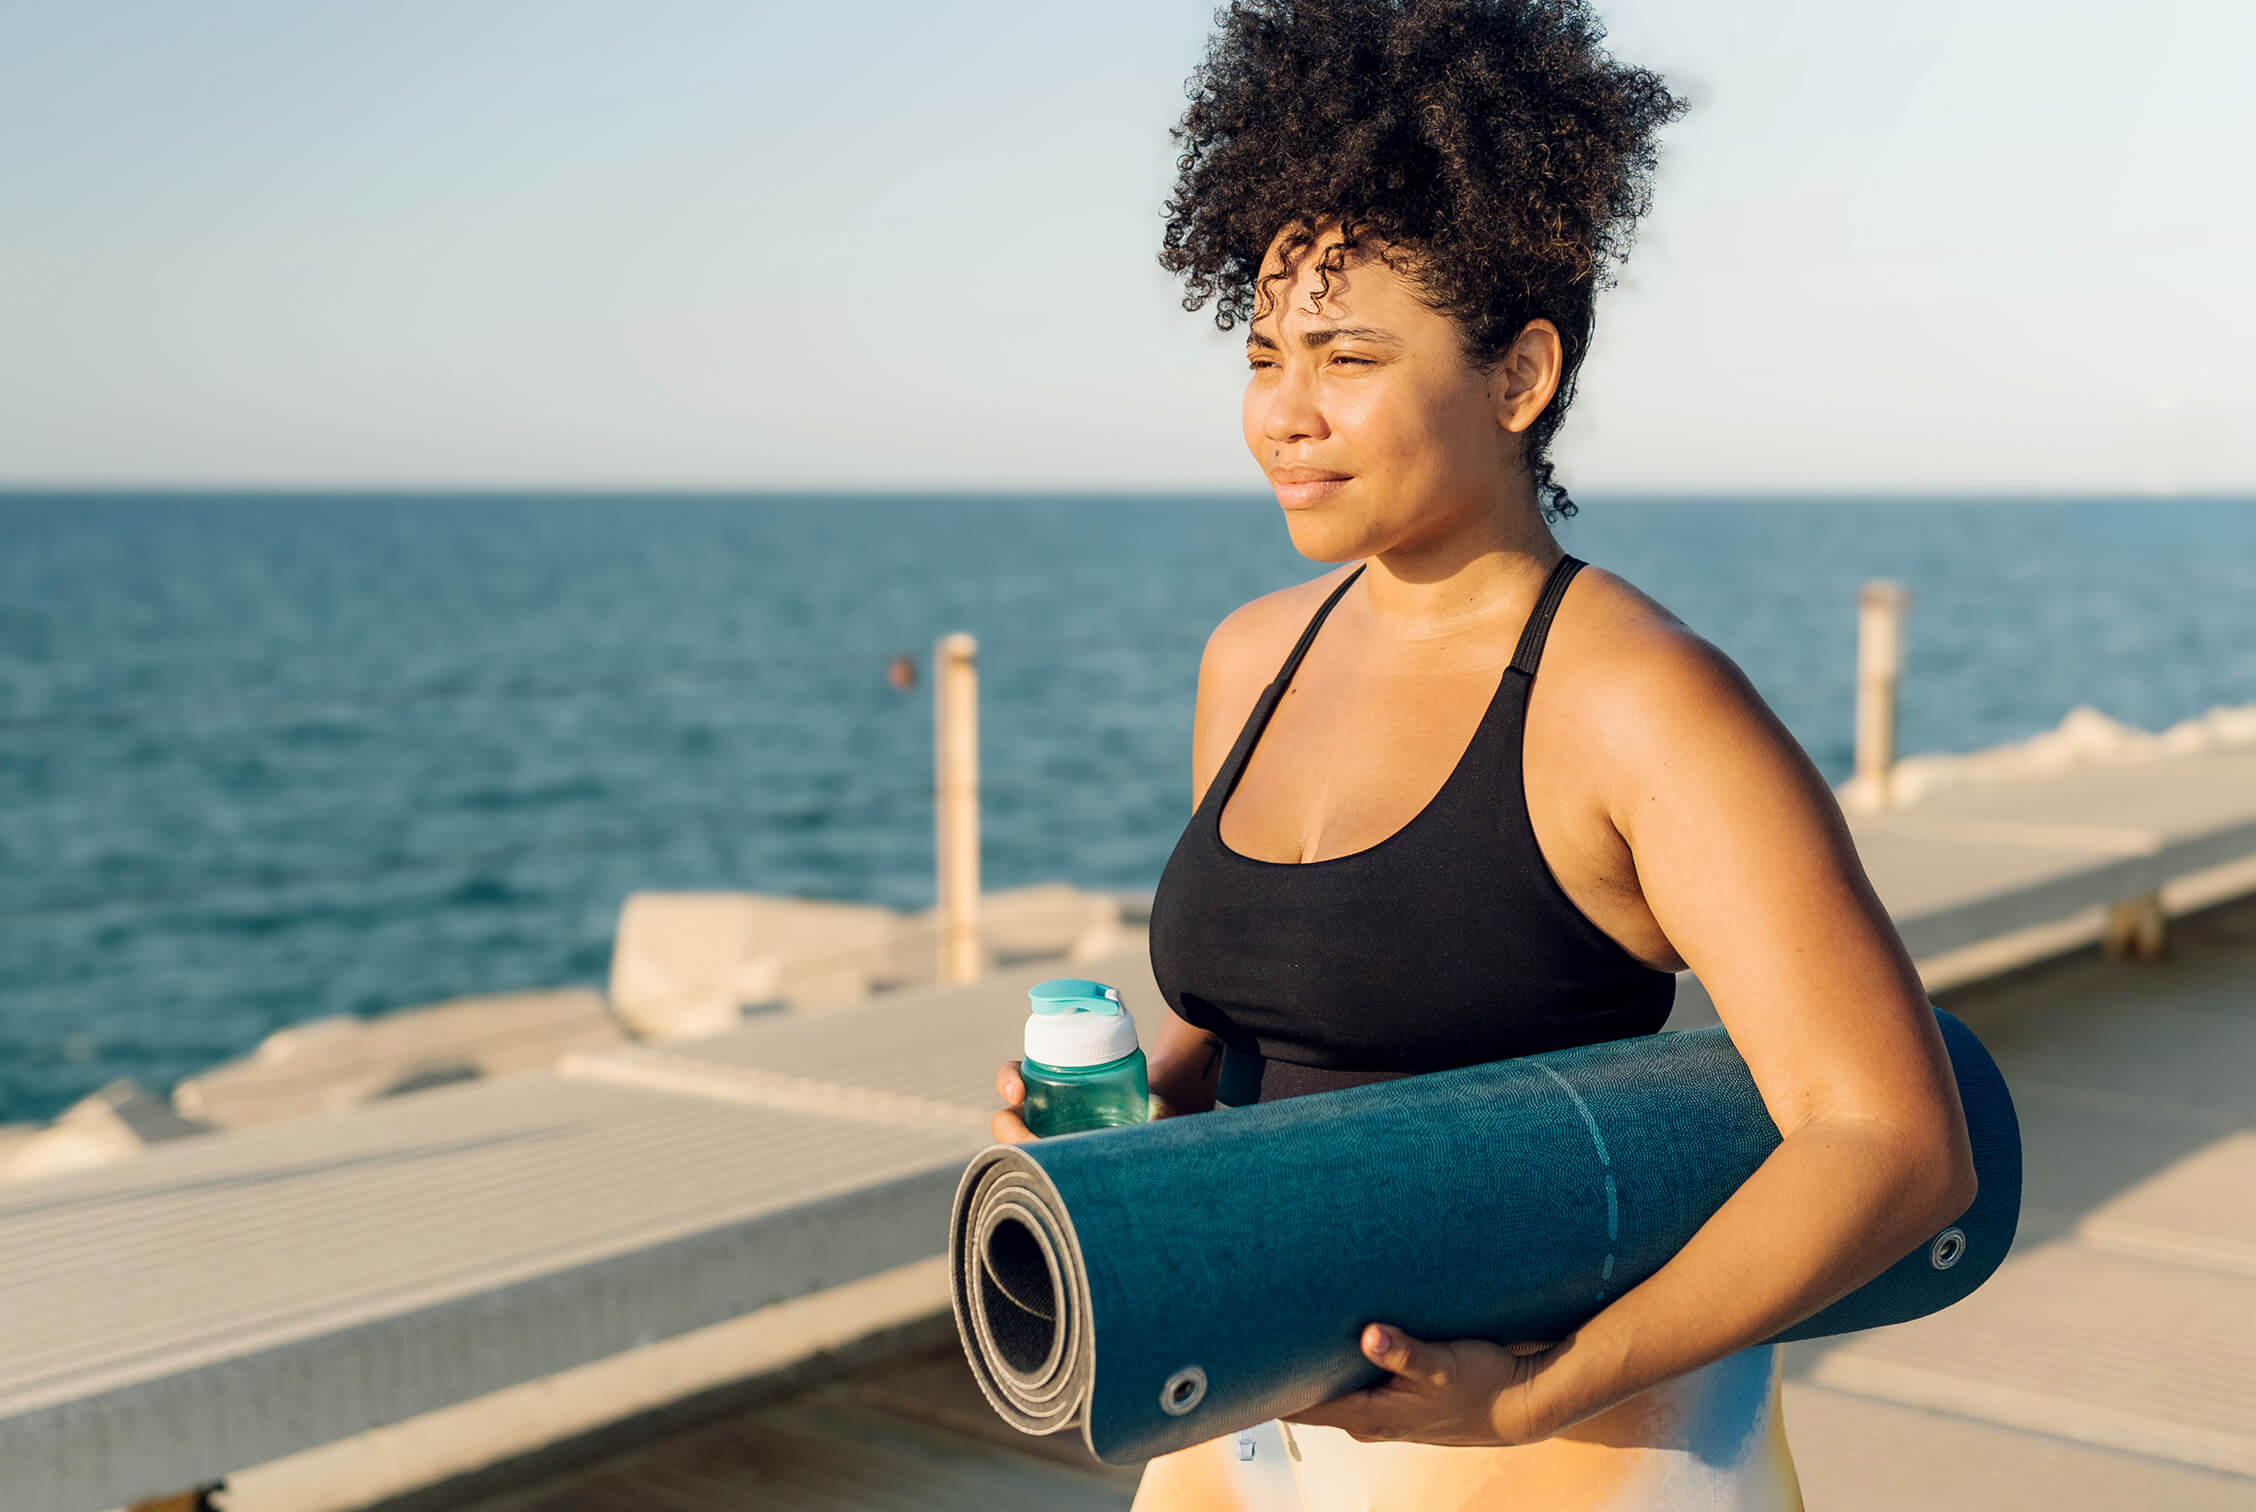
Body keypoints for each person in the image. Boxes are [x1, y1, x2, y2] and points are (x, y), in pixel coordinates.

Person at [993, 2, 1976, 1506]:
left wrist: (1535, 1396)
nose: (1284, 416)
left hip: (1566, 1457)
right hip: (1246, 1433)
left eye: (1347, 356)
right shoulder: (1251, 658)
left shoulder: (1641, 703)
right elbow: (1268, 1025)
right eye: (1264, 354)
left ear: (1519, 378)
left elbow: (1895, 1144)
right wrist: (1130, 1122)